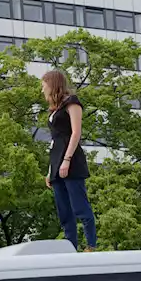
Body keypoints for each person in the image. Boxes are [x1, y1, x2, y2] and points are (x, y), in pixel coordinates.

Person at [42, 69, 97, 251]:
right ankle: (70, 247)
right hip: (56, 160)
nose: (43, 90)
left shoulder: (72, 103)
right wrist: (51, 171)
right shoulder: (54, 109)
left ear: (53, 85)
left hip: (71, 160)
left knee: (79, 205)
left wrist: (67, 160)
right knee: (64, 211)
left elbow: (76, 133)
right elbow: (54, 142)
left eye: (44, 85)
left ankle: (90, 244)